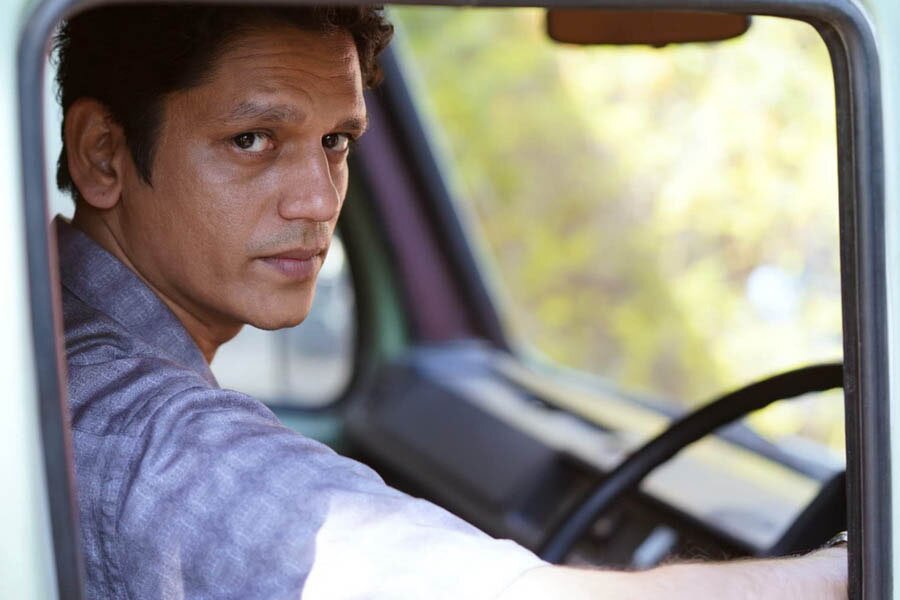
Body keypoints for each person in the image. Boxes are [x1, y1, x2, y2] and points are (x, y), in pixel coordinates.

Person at [54, 4, 847, 599]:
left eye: (336, 142)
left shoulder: (55, 335)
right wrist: (848, 573)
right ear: (103, 156)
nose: (318, 201)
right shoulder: (120, 420)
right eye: (253, 140)